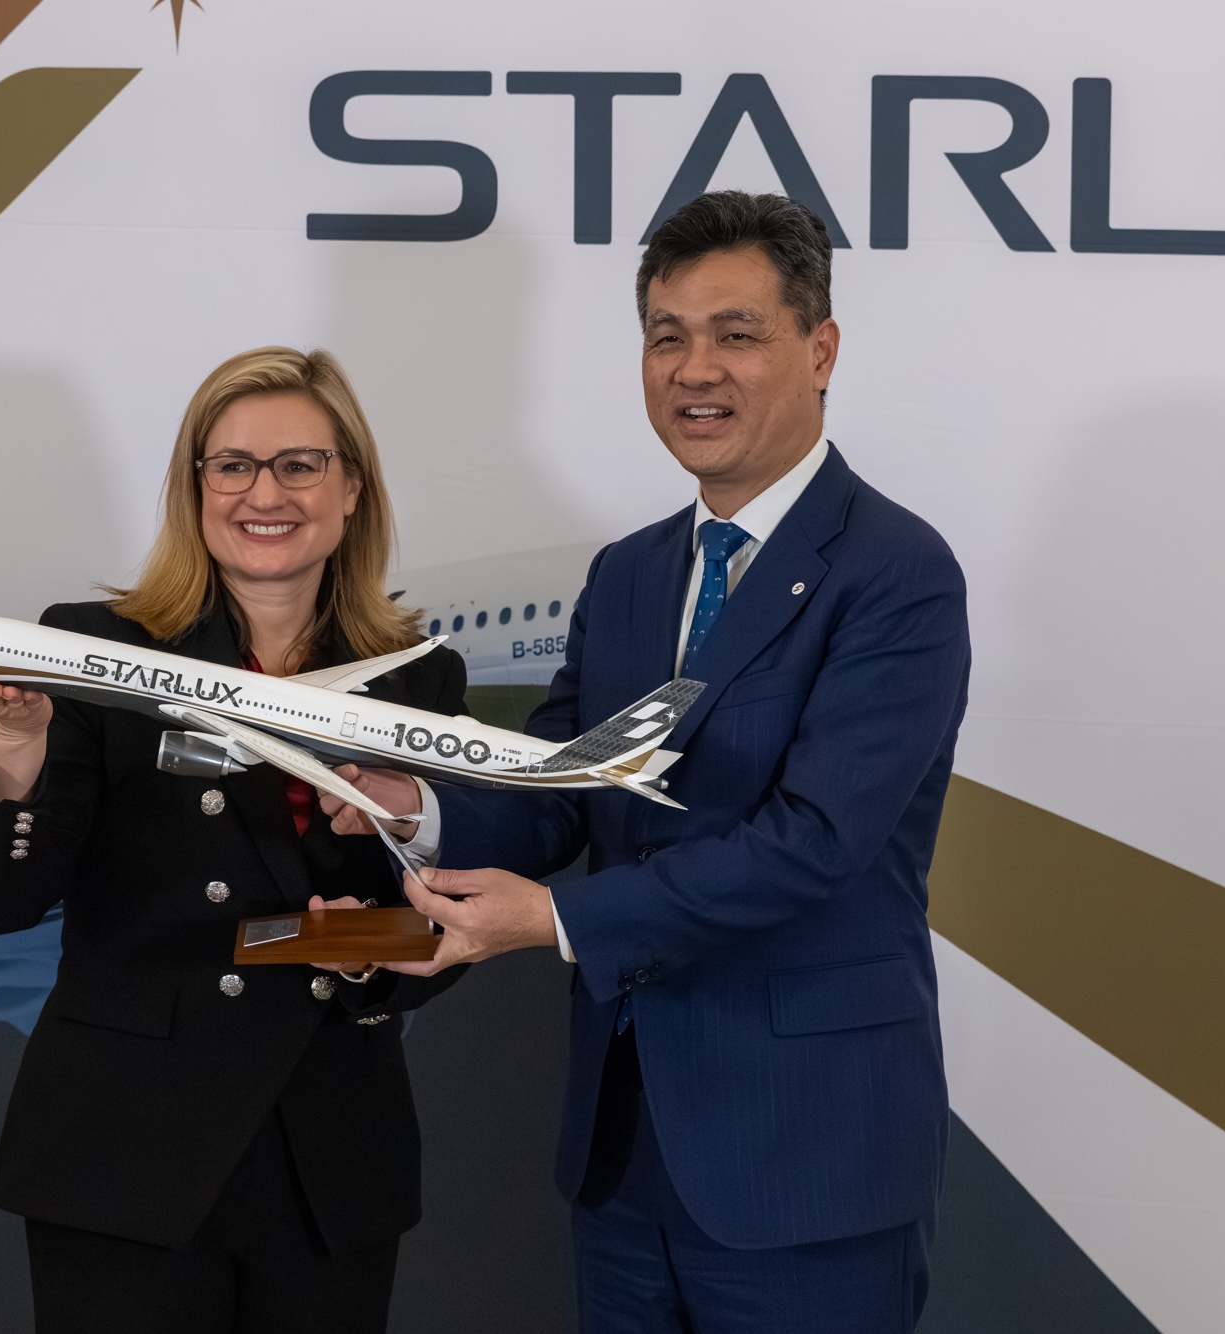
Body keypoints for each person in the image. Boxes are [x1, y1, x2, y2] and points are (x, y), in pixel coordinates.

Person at [323, 192, 971, 1333]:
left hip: (804, 1157)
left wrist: (554, 919)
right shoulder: (627, 572)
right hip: (624, 1153)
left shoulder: (896, 571)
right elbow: (562, 786)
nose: (693, 368)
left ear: (820, 350)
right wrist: (415, 805)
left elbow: (812, 843)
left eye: (735, 333)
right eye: (665, 335)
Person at [0, 346, 468, 1333]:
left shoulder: (419, 677)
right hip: (125, 1154)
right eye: (231, 465)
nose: (263, 494)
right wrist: (15, 747)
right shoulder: (93, 647)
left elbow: (446, 922)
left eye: (299, 464)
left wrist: (360, 947)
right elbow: (0, 898)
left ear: (351, 488)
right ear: (195, 489)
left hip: (326, 1158)